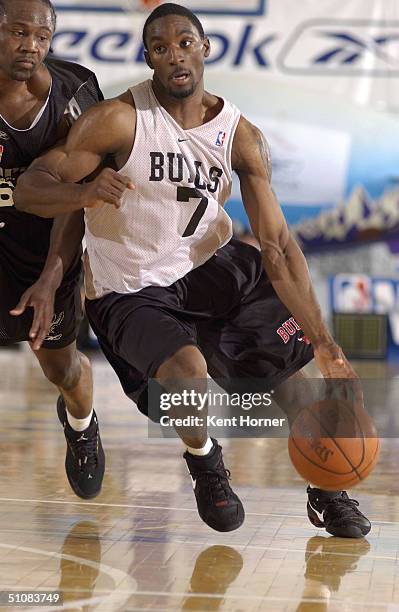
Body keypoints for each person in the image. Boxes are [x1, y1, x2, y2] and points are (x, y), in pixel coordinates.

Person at [14, 2, 371, 537]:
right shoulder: (117, 119)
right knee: (188, 382)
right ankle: (206, 461)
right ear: (149, 58)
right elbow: (29, 188)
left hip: (217, 269)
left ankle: (328, 488)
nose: (175, 55)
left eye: (185, 43)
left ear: (205, 48)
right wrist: (84, 191)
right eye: (161, 48)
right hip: (132, 288)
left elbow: (276, 245)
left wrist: (323, 340)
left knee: (293, 383)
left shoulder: (241, 136)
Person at [0, 0, 104, 498]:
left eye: (41, 37)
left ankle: (82, 426)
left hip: (41, 248)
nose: (31, 46)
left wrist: (53, 276)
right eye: (19, 32)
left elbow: (76, 197)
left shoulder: (74, 94)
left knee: (60, 366)